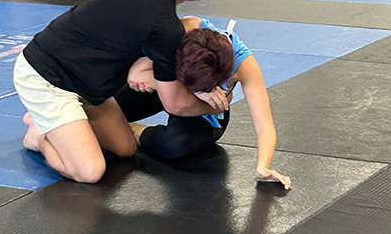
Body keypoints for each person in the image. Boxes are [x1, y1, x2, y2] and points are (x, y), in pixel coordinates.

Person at [13, 0, 231, 184]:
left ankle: (56, 126)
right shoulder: (164, 27)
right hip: (47, 75)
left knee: (125, 148)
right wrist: (216, 105)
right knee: (90, 172)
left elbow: (135, 48)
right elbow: (174, 105)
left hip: (87, 84)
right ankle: (39, 136)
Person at [115, 17, 291, 188]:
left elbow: (264, 125)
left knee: (174, 145)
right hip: (170, 85)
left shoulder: (244, 65)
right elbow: (135, 74)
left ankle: (127, 129)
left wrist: (263, 166)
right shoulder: (182, 30)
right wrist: (192, 89)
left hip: (210, 109)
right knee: (111, 106)